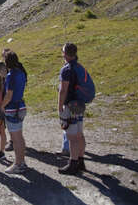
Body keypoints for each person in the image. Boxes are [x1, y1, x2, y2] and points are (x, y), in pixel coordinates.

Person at [58, 43, 86, 175]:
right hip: (80, 104)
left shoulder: (66, 69)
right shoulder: (78, 66)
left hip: (70, 105)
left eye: (62, 51)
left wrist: (60, 108)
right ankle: (81, 161)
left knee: (72, 136)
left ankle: (73, 163)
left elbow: (63, 90)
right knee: (79, 134)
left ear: (65, 54)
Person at [1, 51, 28, 174]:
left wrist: (2, 106)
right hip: (21, 106)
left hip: (12, 108)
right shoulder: (21, 72)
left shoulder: (11, 75)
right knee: (19, 137)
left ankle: (18, 164)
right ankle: (21, 161)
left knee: (15, 138)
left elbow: (9, 95)